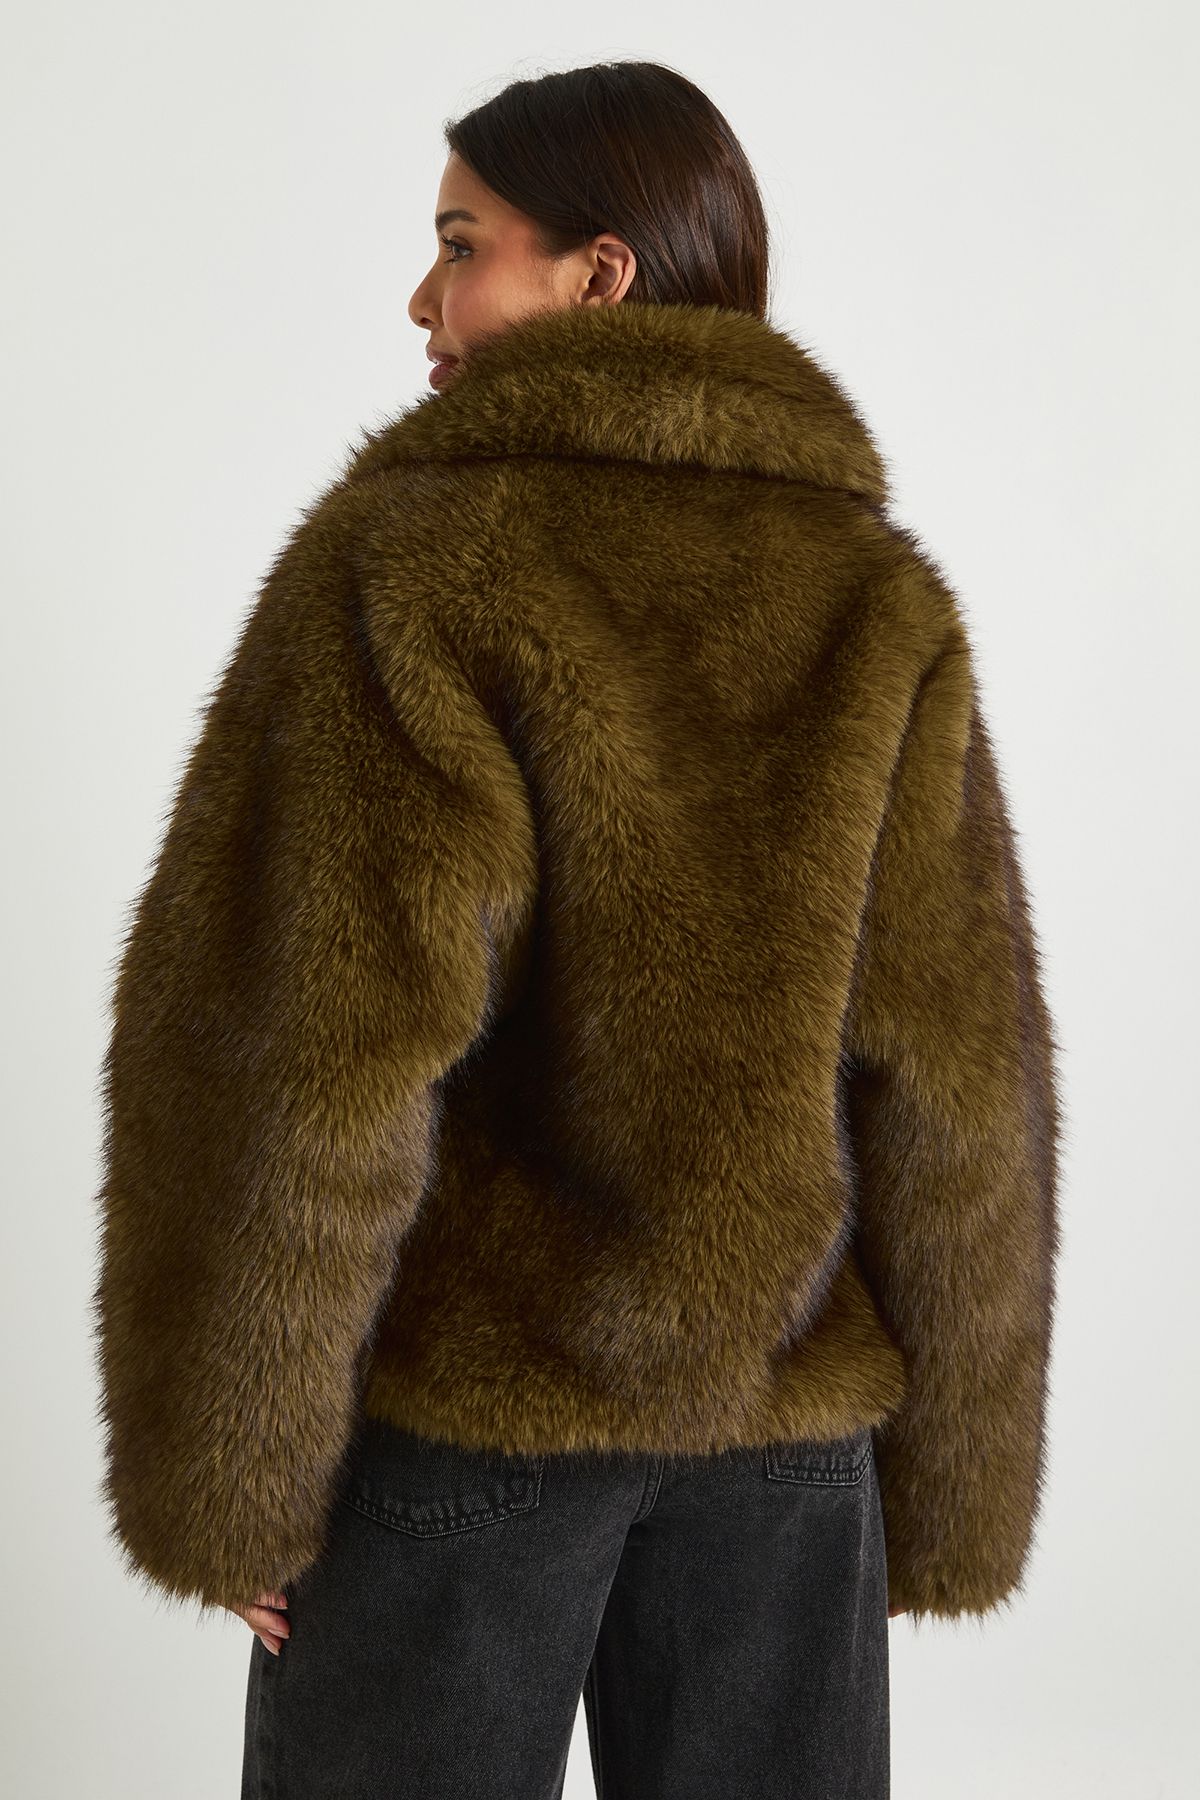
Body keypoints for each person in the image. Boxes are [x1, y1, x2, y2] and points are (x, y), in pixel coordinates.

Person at [89, 59, 1061, 1800]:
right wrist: (950, 1491)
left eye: (463, 244)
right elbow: (957, 1074)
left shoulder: (412, 565)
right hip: (785, 1440)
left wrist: (232, 1469)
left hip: (472, 1422)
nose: (423, 298)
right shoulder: (871, 595)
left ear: (599, 273)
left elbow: (302, 1053)